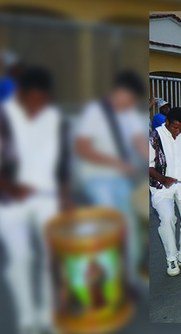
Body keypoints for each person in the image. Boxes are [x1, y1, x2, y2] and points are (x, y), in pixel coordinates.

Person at [0, 67, 71, 334]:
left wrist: (65, 196)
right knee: (20, 259)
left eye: (44, 98)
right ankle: (27, 315)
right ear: (21, 95)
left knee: (51, 257)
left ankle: (48, 312)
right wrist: (10, 187)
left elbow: (63, 163)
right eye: (33, 98)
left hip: (47, 197)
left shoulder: (55, 119)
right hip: (10, 201)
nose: (38, 104)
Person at [74, 71, 149, 286]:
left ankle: (124, 276)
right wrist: (116, 163)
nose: (132, 103)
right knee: (108, 224)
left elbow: (139, 144)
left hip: (121, 178)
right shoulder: (94, 112)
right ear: (119, 92)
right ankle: (98, 277)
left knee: (129, 226)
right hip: (95, 177)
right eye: (130, 98)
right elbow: (83, 148)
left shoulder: (130, 115)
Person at [149, 107, 181, 277]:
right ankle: (171, 258)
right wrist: (163, 179)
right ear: (167, 123)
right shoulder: (154, 137)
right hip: (161, 186)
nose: (177, 131)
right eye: (174, 127)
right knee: (168, 219)